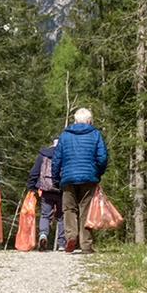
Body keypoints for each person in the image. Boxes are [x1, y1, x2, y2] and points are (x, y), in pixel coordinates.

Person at [51, 107, 110, 254]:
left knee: (69, 209)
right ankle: (86, 244)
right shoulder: (95, 134)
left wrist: (56, 178)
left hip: (68, 177)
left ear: (75, 121)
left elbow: (57, 159)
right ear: (89, 121)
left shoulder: (65, 135)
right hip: (89, 178)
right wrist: (98, 173)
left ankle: (71, 237)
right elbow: (102, 157)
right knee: (86, 210)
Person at [26, 135, 64, 251]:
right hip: (62, 189)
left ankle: (43, 234)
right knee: (62, 216)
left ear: (53, 142)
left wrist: (32, 186)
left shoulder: (43, 154)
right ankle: (62, 244)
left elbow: (34, 172)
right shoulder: (65, 154)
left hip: (46, 189)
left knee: (45, 215)